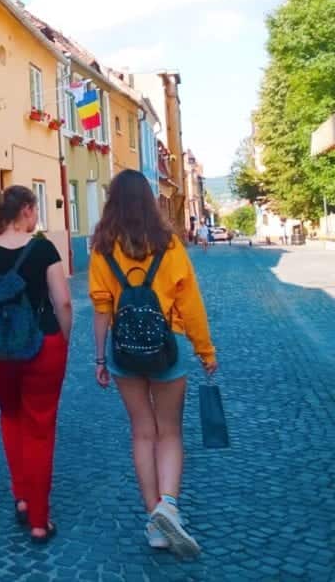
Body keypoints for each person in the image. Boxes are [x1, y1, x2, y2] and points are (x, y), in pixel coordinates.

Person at [89, 170, 218, 557]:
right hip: (169, 347)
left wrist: (99, 357)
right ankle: (169, 506)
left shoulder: (102, 248)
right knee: (170, 432)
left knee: (142, 432)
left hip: (123, 349)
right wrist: (205, 350)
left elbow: (100, 307)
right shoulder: (170, 245)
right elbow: (190, 304)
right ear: (150, 201)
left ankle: (154, 520)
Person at [0, 187, 72, 544]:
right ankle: (39, 520)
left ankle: (22, 497)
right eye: (35, 210)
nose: (36, 217)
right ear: (25, 210)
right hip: (44, 344)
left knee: (10, 415)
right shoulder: (44, 249)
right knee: (40, 427)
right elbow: (63, 302)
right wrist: (64, 339)